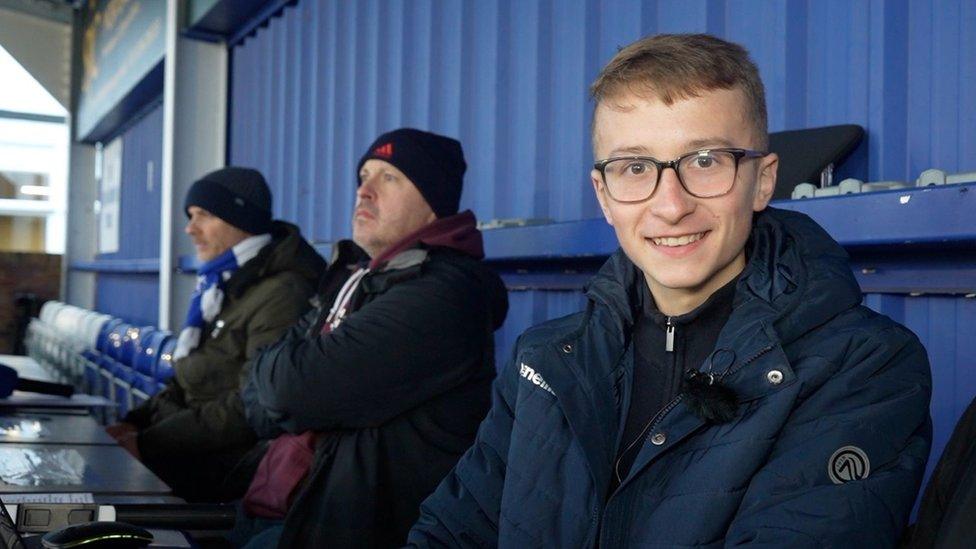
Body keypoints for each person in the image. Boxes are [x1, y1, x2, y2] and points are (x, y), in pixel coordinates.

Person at [408, 33, 932, 547]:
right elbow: (452, 530)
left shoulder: (864, 365)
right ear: (604, 195)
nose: (671, 205)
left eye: (705, 161)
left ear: (763, 180)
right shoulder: (545, 363)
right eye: (635, 167)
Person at [231, 128, 509, 548]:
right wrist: (282, 386)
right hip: (289, 512)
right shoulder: (357, 277)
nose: (364, 190)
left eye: (389, 177)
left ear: (434, 204)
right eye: (364, 175)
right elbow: (255, 391)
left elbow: (289, 390)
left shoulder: (444, 293)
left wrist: (283, 386)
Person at [106, 167, 325, 502]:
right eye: (191, 216)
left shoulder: (282, 293)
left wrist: (148, 444)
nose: (190, 229)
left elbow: (252, 408)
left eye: (204, 215)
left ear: (242, 220)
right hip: (182, 453)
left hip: (220, 473)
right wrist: (134, 423)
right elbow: (187, 379)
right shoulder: (222, 285)